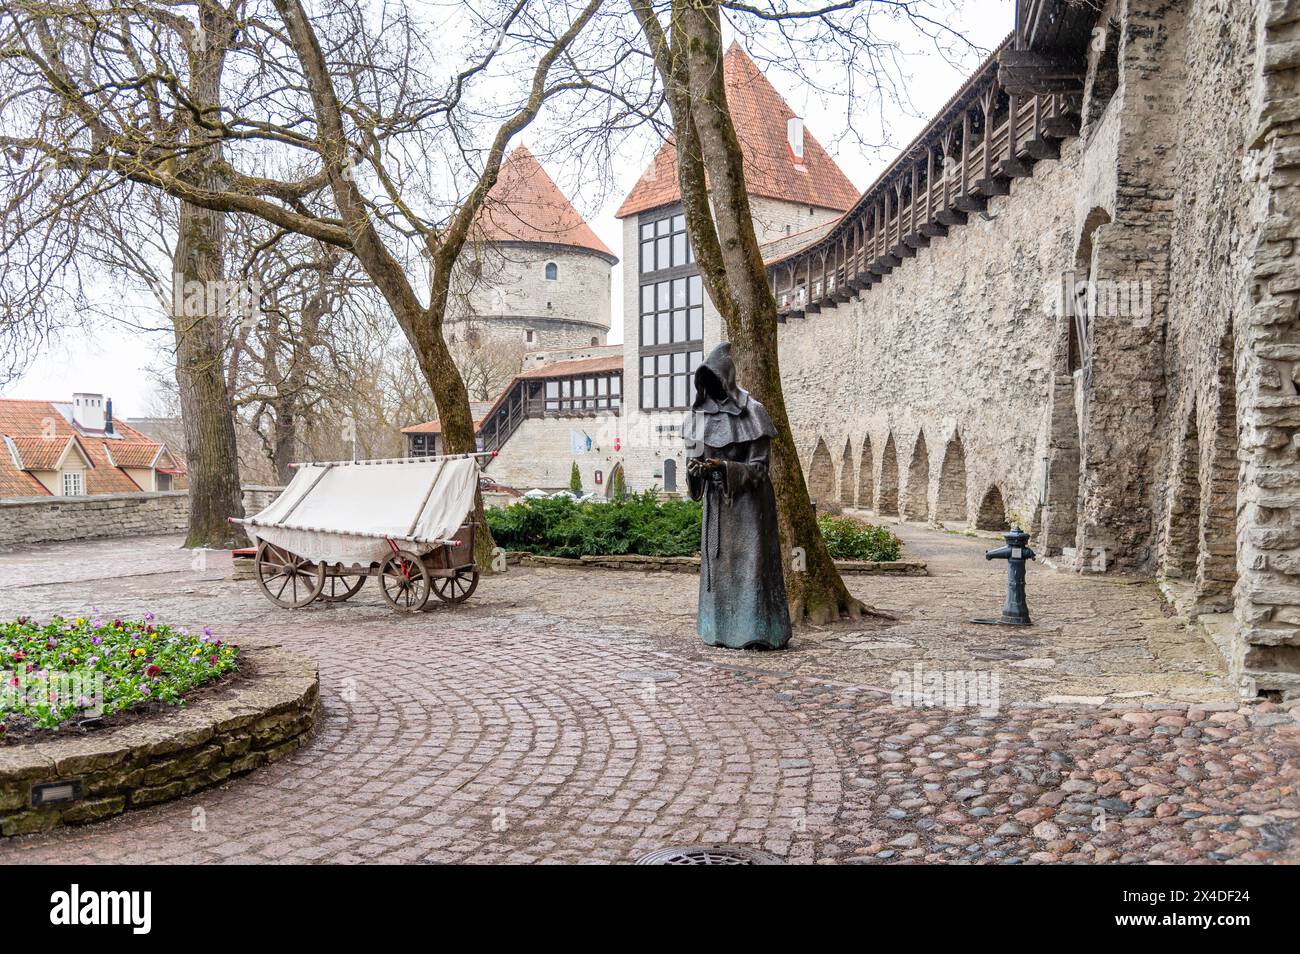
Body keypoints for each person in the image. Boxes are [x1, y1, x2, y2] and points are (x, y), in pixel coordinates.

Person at [682, 343, 792, 650]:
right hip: (717, 507)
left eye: (717, 380)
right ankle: (717, 628)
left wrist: (726, 468)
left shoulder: (753, 412)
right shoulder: (698, 418)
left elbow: (759, 469)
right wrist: (697, 471)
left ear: (727, 378)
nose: (713, 387)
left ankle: (756, 631)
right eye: (708, 381)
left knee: (750, 568)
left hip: (748, 508)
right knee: (718, 570)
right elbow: (692, 462)